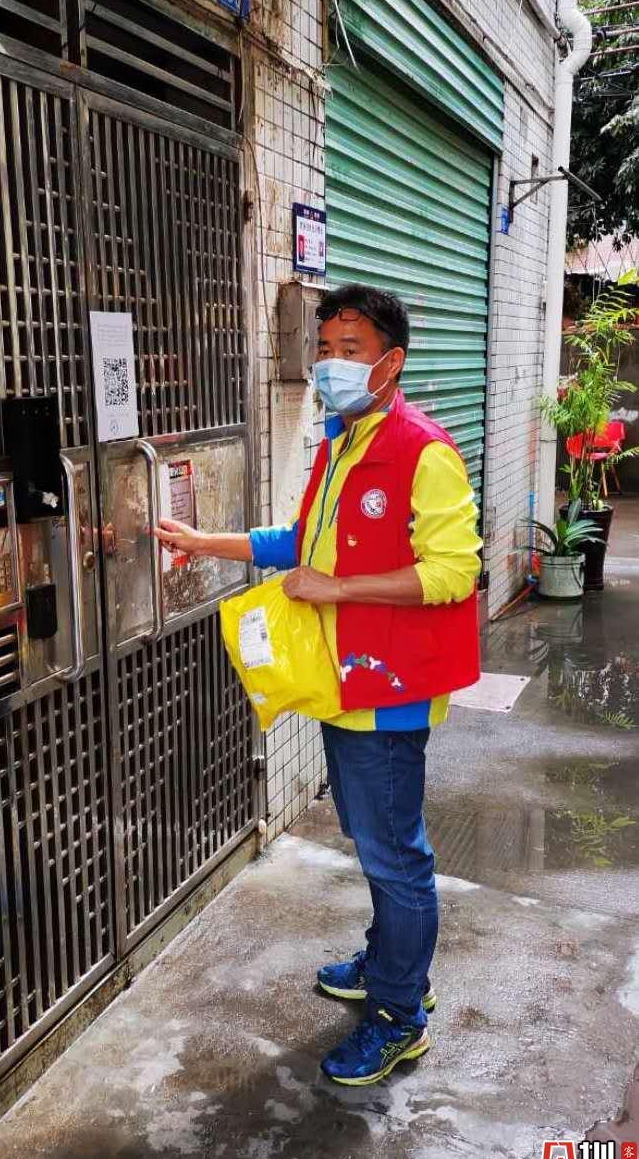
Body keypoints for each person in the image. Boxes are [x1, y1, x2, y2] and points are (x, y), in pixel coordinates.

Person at [153, 282, 481, 1087]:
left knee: (394, 855)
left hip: (389, 690)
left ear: (389, 362)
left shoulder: (422, 451)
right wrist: (203, 541)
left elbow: (454, 572)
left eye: (350, 350)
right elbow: (300, 542)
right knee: (375, 843)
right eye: (324, 349)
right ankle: (387, 965)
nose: (331, 363)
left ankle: (400, 1016)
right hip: (343, 682)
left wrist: (336, 589)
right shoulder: (343, 441)